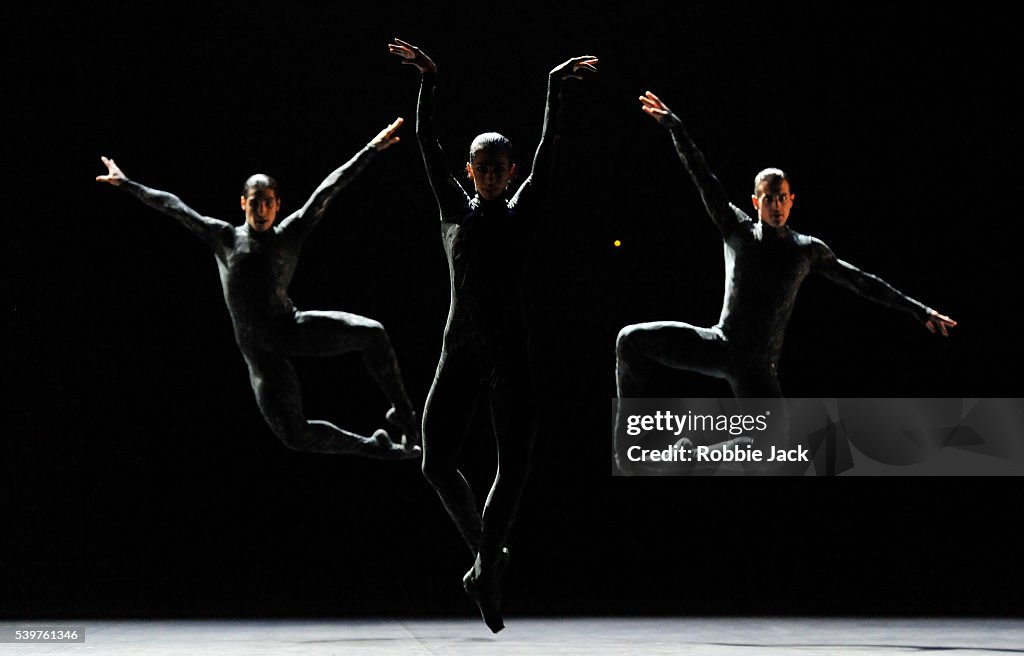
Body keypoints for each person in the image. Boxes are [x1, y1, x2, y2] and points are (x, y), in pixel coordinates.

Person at [614, 91, 956, 473]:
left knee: (771, 448)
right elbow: (703, 178)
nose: (775, 205)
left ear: (792, 200)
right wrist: (676, 128)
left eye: (782, 198)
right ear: (756, 201)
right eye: (768, 199)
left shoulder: (807, 251)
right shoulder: (737, 230)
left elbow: (863, 282)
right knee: (630, 340)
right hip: (720, 345)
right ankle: (627, 449)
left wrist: (919, 310)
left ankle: (690, 453)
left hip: (758, 367)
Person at [389, 37, 596, 632]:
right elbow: (425, 145)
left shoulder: (525, 208)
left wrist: (555, 91)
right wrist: (429, 80)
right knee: (434, 462)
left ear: (510, 172)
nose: (490, 175)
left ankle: (485, 566)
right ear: (469, 170)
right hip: (460, 351)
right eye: (481, 166)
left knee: (517, 460)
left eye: (500, 167)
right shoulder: (453, 209)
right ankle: (489, 558)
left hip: (509, 354)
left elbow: (548, 149)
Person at [95, 118, 421, 459]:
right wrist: (126, 183)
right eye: (254, 202)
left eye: (268, 202)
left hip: (291, 328)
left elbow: (329, 188)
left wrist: (371, 149)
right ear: (242, 204)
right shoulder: (225, 238)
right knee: (294, 435)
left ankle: (405, 417)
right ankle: (377, 448)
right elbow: (173, 206)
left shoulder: (290, 233)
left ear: (278, 204)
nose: (261, 210)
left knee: (373, 333)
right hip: (261, 355)